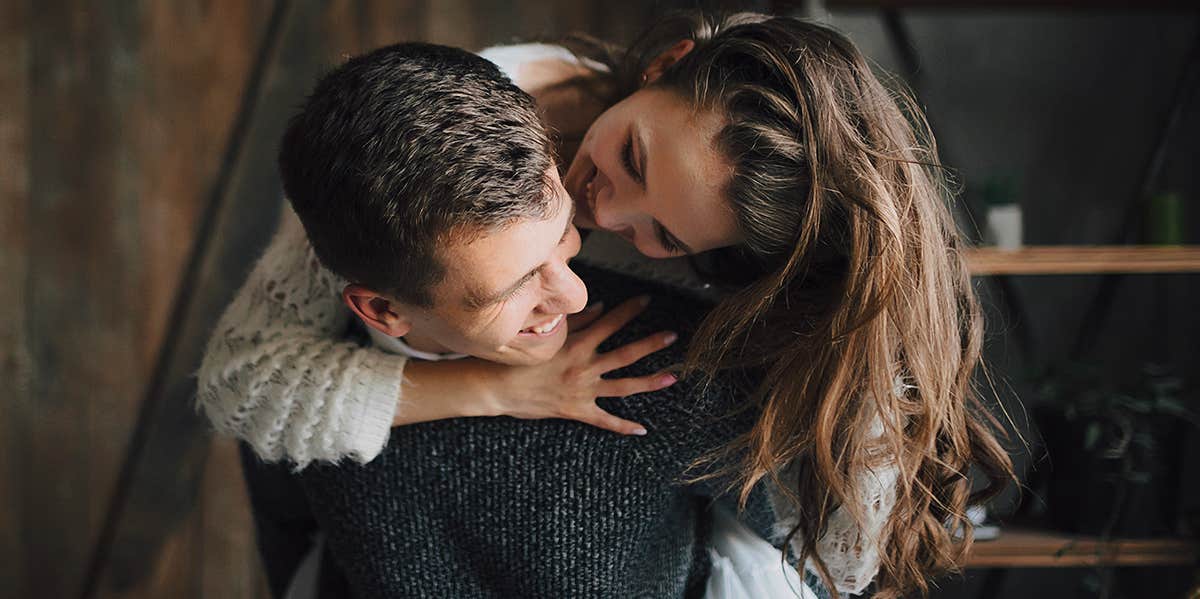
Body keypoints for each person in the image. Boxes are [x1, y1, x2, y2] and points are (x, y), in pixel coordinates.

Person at [202, 11, 1013, 598]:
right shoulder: (434, 144)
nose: (606, 211)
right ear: (664, 66)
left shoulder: (681, 342)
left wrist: (871, 346)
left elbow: (839, 554)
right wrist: (499, 387)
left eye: (662, 231)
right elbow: (246, 387)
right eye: (632, 154)